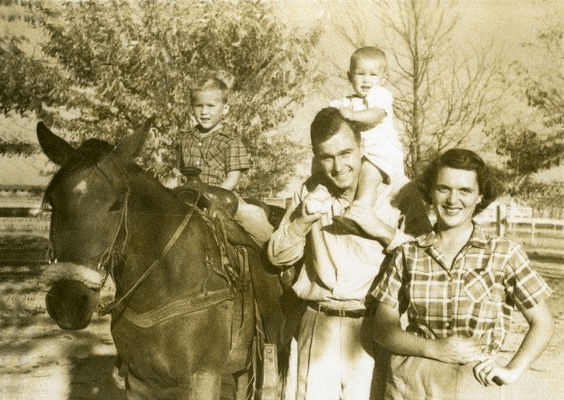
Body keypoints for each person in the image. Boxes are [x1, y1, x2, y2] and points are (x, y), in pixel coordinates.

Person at [370, 148, 554, 399]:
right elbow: (382, 329)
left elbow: (542, 323)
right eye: (443, 188)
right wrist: (435, 348)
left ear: (480, 196)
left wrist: (512, 370)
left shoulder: (504, 253)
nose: (452, 199)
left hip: (474, 384)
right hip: (413, 383)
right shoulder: (408, 253)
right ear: (430, 192)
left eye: (465, 190)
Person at [268, 107, 415, 400]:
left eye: (346, 153)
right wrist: (302, 220)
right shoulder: (310, 191)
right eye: (327, 157)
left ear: (362, 147)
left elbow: (425, 259)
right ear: (316, 156)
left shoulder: (399, 193)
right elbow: (277, 256)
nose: (338, 166)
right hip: (318, 322)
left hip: (373, 326)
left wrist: (381, 230)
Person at [176, 76, 273, 245]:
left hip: (223, 197)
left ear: (225, 109)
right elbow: (181, 173)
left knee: (255, 217)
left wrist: (214, 195)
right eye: (199, 106)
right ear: (192, 107)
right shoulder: (185, 139)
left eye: (211, 106)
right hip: (189, 197)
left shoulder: (230, 141)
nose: (204, 112)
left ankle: (271, 253)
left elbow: (233, 177)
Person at [328, 46, 407, 234]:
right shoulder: (345, 102)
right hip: (360, 152)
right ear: (349, 76)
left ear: (383, 78)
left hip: (381, 152)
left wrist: (352, 115)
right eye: (360, 74)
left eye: (373, 75)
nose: (366, 80)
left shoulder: (380, 95)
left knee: (369, 175)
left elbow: (375, 115)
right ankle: (323, 200)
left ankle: (361, 209)